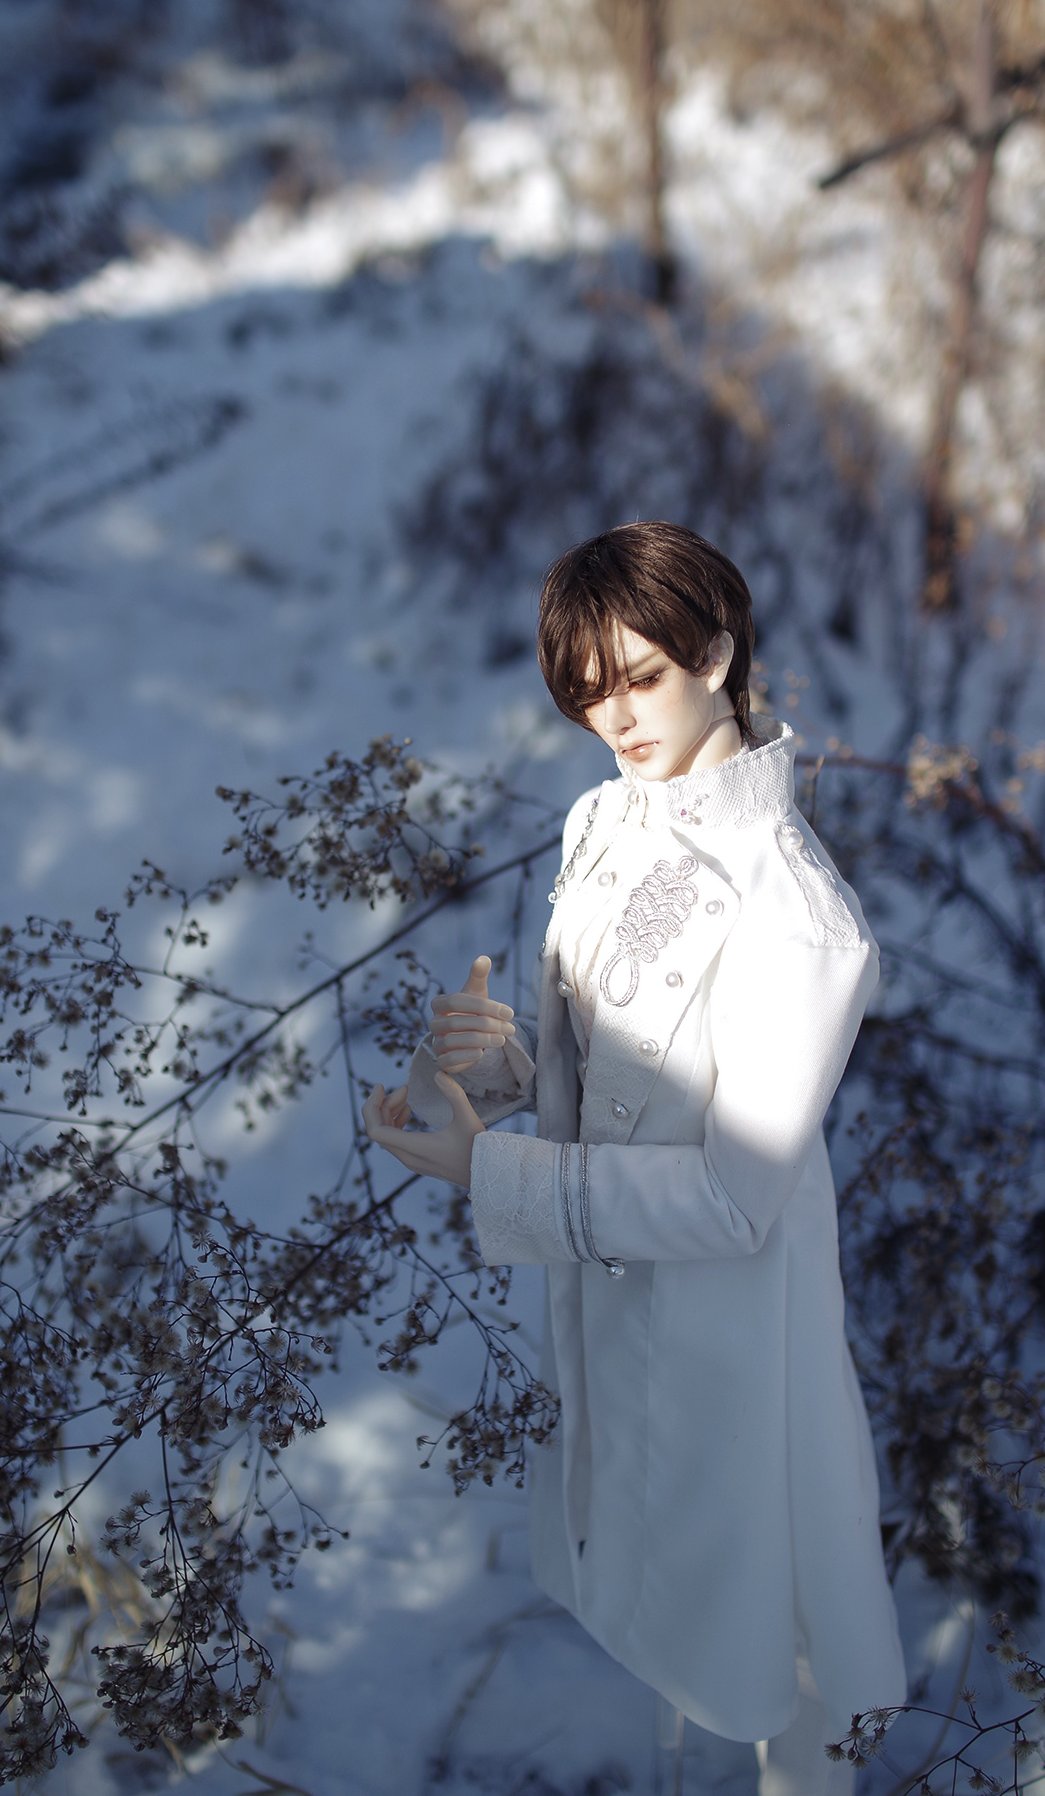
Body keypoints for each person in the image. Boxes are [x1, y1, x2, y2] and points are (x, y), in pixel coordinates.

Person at [362, 522, 906, 1794]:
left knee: (777, 1601)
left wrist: (488, 1174)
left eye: (641, 677)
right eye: (585, 692)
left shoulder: (799, 918)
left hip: (737, 1322)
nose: (614, 718)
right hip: (614, 1294)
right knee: (657, 1563)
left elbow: (731, 1196)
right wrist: (498, 1062)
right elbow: (610, 1072)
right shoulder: (605, 820)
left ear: (716, 652)